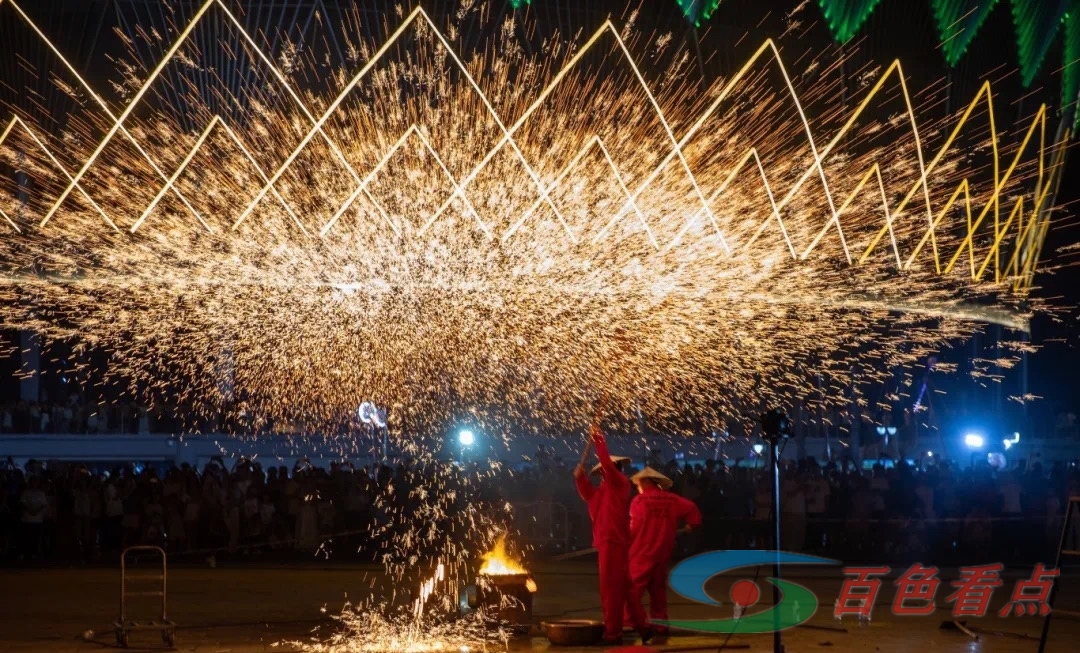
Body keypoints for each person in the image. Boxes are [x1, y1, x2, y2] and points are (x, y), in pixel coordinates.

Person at [626, 466, 702, 642]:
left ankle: (635, 624)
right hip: (662, 553)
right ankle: (660, 626)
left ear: (645, 482)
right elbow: (691, 508)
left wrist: (623, 541)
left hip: (641, 552)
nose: (637, 486)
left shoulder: (639, 501)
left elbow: (634, 528)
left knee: (631, 592)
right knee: (658, 592)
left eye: (638, 483)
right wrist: (691, 525)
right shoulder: (671, 500)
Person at [574, 422, 632, 645]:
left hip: (615, 542)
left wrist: (599, 439)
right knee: (610, 590)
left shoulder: (621, 484)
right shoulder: (600, 493)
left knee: (612, 590)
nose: (606, 472)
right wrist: (579, 477)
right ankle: (615, 629)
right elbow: (586, 492)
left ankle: (614, 632)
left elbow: (607, 464)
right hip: (606, 543)